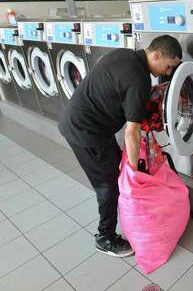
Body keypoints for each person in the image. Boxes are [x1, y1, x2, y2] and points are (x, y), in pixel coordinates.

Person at [59, 35, 182, 257]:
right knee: (108, 185)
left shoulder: (125, 55)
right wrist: (134, 172)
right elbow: (131, 132)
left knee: (116, 171)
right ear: (157, 55)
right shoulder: (139, 79)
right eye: (168, 65)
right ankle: (105, 237)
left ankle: (125, 215)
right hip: (87, 133)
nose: (167, 71)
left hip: (89, 123)